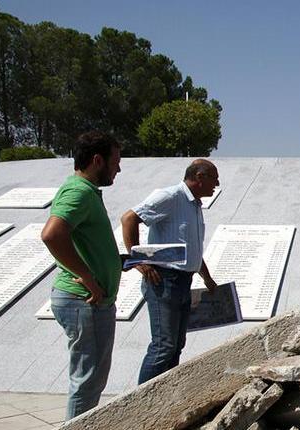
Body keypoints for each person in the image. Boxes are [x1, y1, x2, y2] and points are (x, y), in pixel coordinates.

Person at [41, 131, 122, 419]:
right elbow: (52, 234)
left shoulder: (85, 192)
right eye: (116, 161)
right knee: (86, 380)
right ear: (98, 160)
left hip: (91, 301)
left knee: (92, 380)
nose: (119, 169)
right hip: (83, 300)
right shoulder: (78, 191)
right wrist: (87, 276)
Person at [123, 159, 220, 384]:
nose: (217, 183)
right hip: (164, 281)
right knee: (163, 346)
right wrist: (139, 261)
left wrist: (207, 277)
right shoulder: (170, 196)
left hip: (183, 282)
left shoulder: (195, 206)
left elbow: (192, 249)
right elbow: (129, 219)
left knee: (176, 345)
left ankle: (165, 400)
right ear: (199, 177)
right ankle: (140, 404)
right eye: (214, 177)